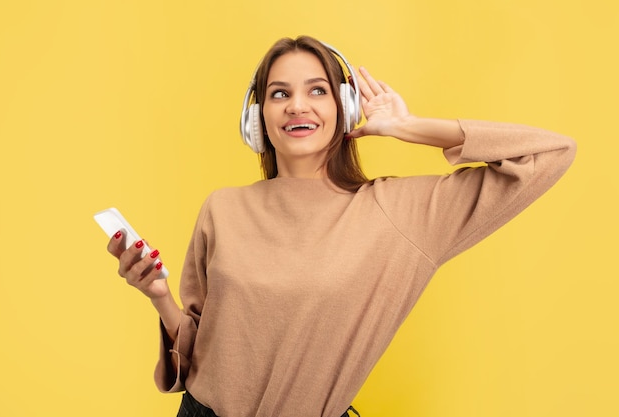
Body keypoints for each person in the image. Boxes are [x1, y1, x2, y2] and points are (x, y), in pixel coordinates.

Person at [106, 35, 576, 417]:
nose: (296, 106)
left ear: (345, 109)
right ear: (258, 118)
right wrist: (160, 296)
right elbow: (198, 355)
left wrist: (408, 126)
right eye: (279, 93)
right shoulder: (222, 209)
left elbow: (550, 154)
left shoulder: (399, 212)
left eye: (317, 90)